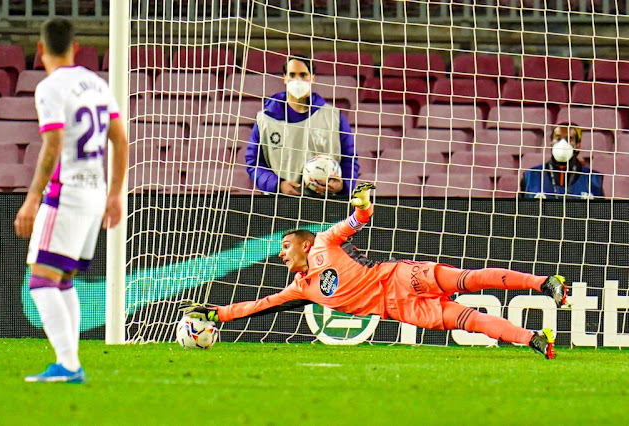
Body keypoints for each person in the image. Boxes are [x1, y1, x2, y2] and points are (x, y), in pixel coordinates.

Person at [181, 183, 568, 359]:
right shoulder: (302, 288)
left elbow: (355, 220)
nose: (281, 255)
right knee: (470, 320)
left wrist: (363, 205)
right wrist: (218, 314)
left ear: (302, 243)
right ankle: (533, 338)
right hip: (400, 310)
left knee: (467, 279)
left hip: (398, 276)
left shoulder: (323, 243)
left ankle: (544, 282)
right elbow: (261, 304)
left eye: (284, 247)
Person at [13, 18, 128, 383]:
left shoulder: (50, 88)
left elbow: (53, 145)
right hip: (95, 191)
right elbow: (121, 140)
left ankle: (69, 365)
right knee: (62, 279)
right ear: (76, 47)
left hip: (66, 193)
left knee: (41, 280)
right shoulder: (97, 83)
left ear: (41, 50)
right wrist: (114, 194)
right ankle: (70, 362)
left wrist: (32, 199)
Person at [245, 55, 359, 197]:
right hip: (280, 203)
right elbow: (254, 162)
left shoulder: (334, 116)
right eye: (292, 75)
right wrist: (277, 184)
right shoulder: (265, 119)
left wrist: (343, 185)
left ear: (312, 78)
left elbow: (349, 157)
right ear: (284, 78)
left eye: (303, 75)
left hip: (326, 203)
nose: (297, 80)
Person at [520, 121, 604, 199]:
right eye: (558, 138)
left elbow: (603, 212)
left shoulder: (593, 179)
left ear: (578, 145)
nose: (563, 143)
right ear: (551, 143)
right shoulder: (531, 177)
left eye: (569, 139)